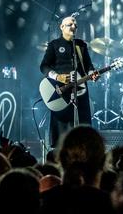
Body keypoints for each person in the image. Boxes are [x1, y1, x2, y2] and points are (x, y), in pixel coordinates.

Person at [40, 16, 99, 148]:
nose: (73, 26)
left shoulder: (81, 45)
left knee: (83, 131)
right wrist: (57, 77)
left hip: (80, 89)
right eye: (70, 24)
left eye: (75, 25)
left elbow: (88, 66)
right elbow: (44, 66)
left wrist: (92, 74)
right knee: (61, 130)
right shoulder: (54, 45)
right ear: (62, 27)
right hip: (61, 91)